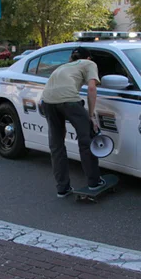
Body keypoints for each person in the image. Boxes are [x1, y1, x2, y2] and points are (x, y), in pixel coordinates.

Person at [41, 46, 104, 197]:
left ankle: (62, 188)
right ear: (88, 58)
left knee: (56, 145)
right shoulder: (89, 64)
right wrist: (91, 116)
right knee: (86, 140)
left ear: (71, 58)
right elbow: (91, 89)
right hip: (69, 101)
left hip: (47, 101)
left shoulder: (63, 66)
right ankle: (94, 182)